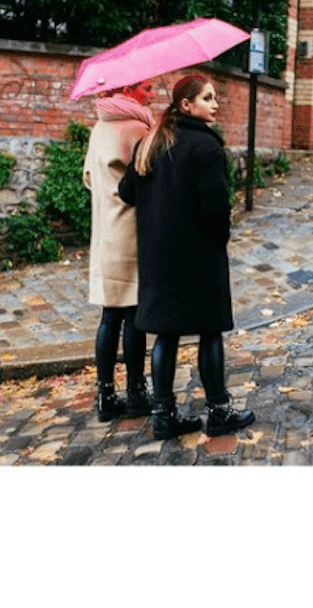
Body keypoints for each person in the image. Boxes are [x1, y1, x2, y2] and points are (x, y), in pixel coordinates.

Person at [118, 75, 254, 440]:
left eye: (214, 97)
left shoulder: (151, 142)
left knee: (167, 333)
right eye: (207, 98)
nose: (215, 103)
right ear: (186, 105)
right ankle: (220, 412)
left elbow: (126, 191)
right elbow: (215, 209)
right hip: (198, 255)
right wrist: (220, 239)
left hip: (158, 256)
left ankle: (164, 416)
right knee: (210, 331)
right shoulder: (205, 147)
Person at [82, 80, 156, 422]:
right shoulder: (138, 126)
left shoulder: (99, 126)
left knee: (109, 315)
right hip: (131, 229)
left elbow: (87, 177)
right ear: (129, 90)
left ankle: (104, 395)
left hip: (104, 231)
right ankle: (137, 392)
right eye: (147, 88)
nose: (153, 94)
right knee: (134, 316)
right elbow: (149, 177)